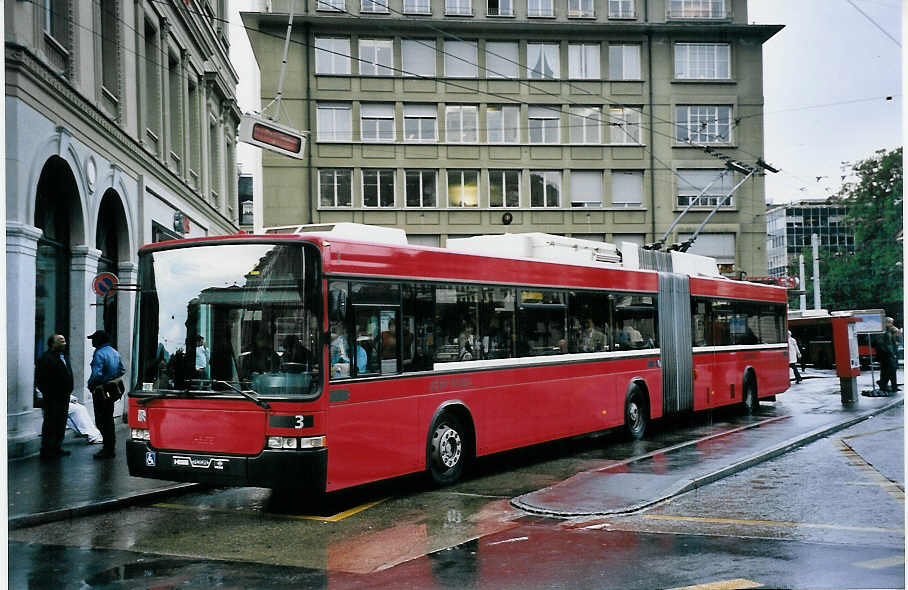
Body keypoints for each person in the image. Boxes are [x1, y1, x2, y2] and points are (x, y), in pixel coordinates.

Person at [87, 330, 126, 460]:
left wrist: (91, 385)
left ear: (99, 340)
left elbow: (96, 374)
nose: (92, 341)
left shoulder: (99, 353)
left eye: (93, 339)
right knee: (109, 418)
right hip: (111, 390)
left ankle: (107, 449)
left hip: (101, 390)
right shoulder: (114, 352)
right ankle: (110, 447)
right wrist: (111, 378)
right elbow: (122, 370)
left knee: (101, 420)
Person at [35, 334, 74, 459]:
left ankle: (57, 447)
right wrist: (48, 392)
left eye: (64, 340)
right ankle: (47, 449)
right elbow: (40, 378)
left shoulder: (64, 357)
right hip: (52, 397)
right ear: (52, 343)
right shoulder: (46, 358)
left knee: (61, 422)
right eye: (61, 341)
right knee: (51, 422)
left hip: (64, 396)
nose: (64, 343)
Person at [875, 317, 899, 392]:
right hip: (886, 354)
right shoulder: (884, 331)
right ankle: (885, 384)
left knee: (888, 370)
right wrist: (892, 353)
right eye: (890, 322)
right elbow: (887, 344)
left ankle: (888, 385)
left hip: (887, 354)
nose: (891, 324)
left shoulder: (889, 330)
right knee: (890, 370)